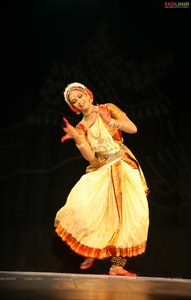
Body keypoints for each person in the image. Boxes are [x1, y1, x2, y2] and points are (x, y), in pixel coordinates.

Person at [54, 82, 149, 276]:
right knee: (87, 210)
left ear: (88, 94)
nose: (79, 101)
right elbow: (90, 157)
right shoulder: (81, 127)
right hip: (102, 169)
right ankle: (93, 248)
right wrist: (78, 138)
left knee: (132, 216)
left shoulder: (109, 108)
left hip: (124, 165)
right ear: (73, 107)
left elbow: (133, 129)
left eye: (80, 96)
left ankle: (117, 266)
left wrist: (112, 122)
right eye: (74, 101)